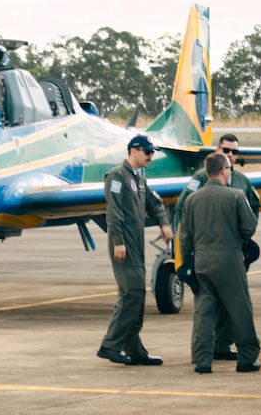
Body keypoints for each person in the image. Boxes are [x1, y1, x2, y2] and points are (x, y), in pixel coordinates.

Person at [174, 133, 261, 361]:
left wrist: (187, 259)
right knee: (240, 308)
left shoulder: (242, 181)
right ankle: (248, 358)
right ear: (218, 156)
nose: (231, 155)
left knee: (205, 311)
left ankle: (204, 357)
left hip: (204, 258)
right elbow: (249, 225)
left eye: (235, 152)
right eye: (226, 150)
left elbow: (186, 232)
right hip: (229, 258)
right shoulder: (213, 185)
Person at [97, 134, 174, 367]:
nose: (151, 156)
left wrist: (164, 223)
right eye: (148, 152)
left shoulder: (139, 178)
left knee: (138, 295)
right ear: (134, 150)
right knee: (130, 294)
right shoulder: (117, 176)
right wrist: (118, 241)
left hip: (135, 244)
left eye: (152, 153)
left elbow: (154, 202)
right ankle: (110, 345)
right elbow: (114, 213)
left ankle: (134, 349)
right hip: (123, 245)